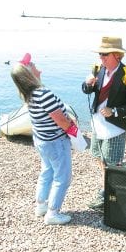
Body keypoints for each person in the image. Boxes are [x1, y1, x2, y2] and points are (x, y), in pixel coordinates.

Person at [11, 53, 78, 225]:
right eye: (30, 63)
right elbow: (61, 121)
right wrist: (73, 128)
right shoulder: (43, 93)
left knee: (47, 171)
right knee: (62, 177)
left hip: (42, 140)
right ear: (29, 73)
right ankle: (52, 213)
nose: (34, 63)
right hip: (55, 142)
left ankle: (41, 205)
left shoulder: (30, 95)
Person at [82, 36, 126, 210]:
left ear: (117, 55)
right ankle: (107, 187)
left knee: (113, 163)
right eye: (100, 54)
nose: (101, 57)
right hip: (97, 124)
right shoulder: (99, 70)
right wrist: (87, 84)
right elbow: (88, 90)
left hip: (115, 127)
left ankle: (111, 194)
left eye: (104, 54)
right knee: (98, 156)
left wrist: (115, 111)